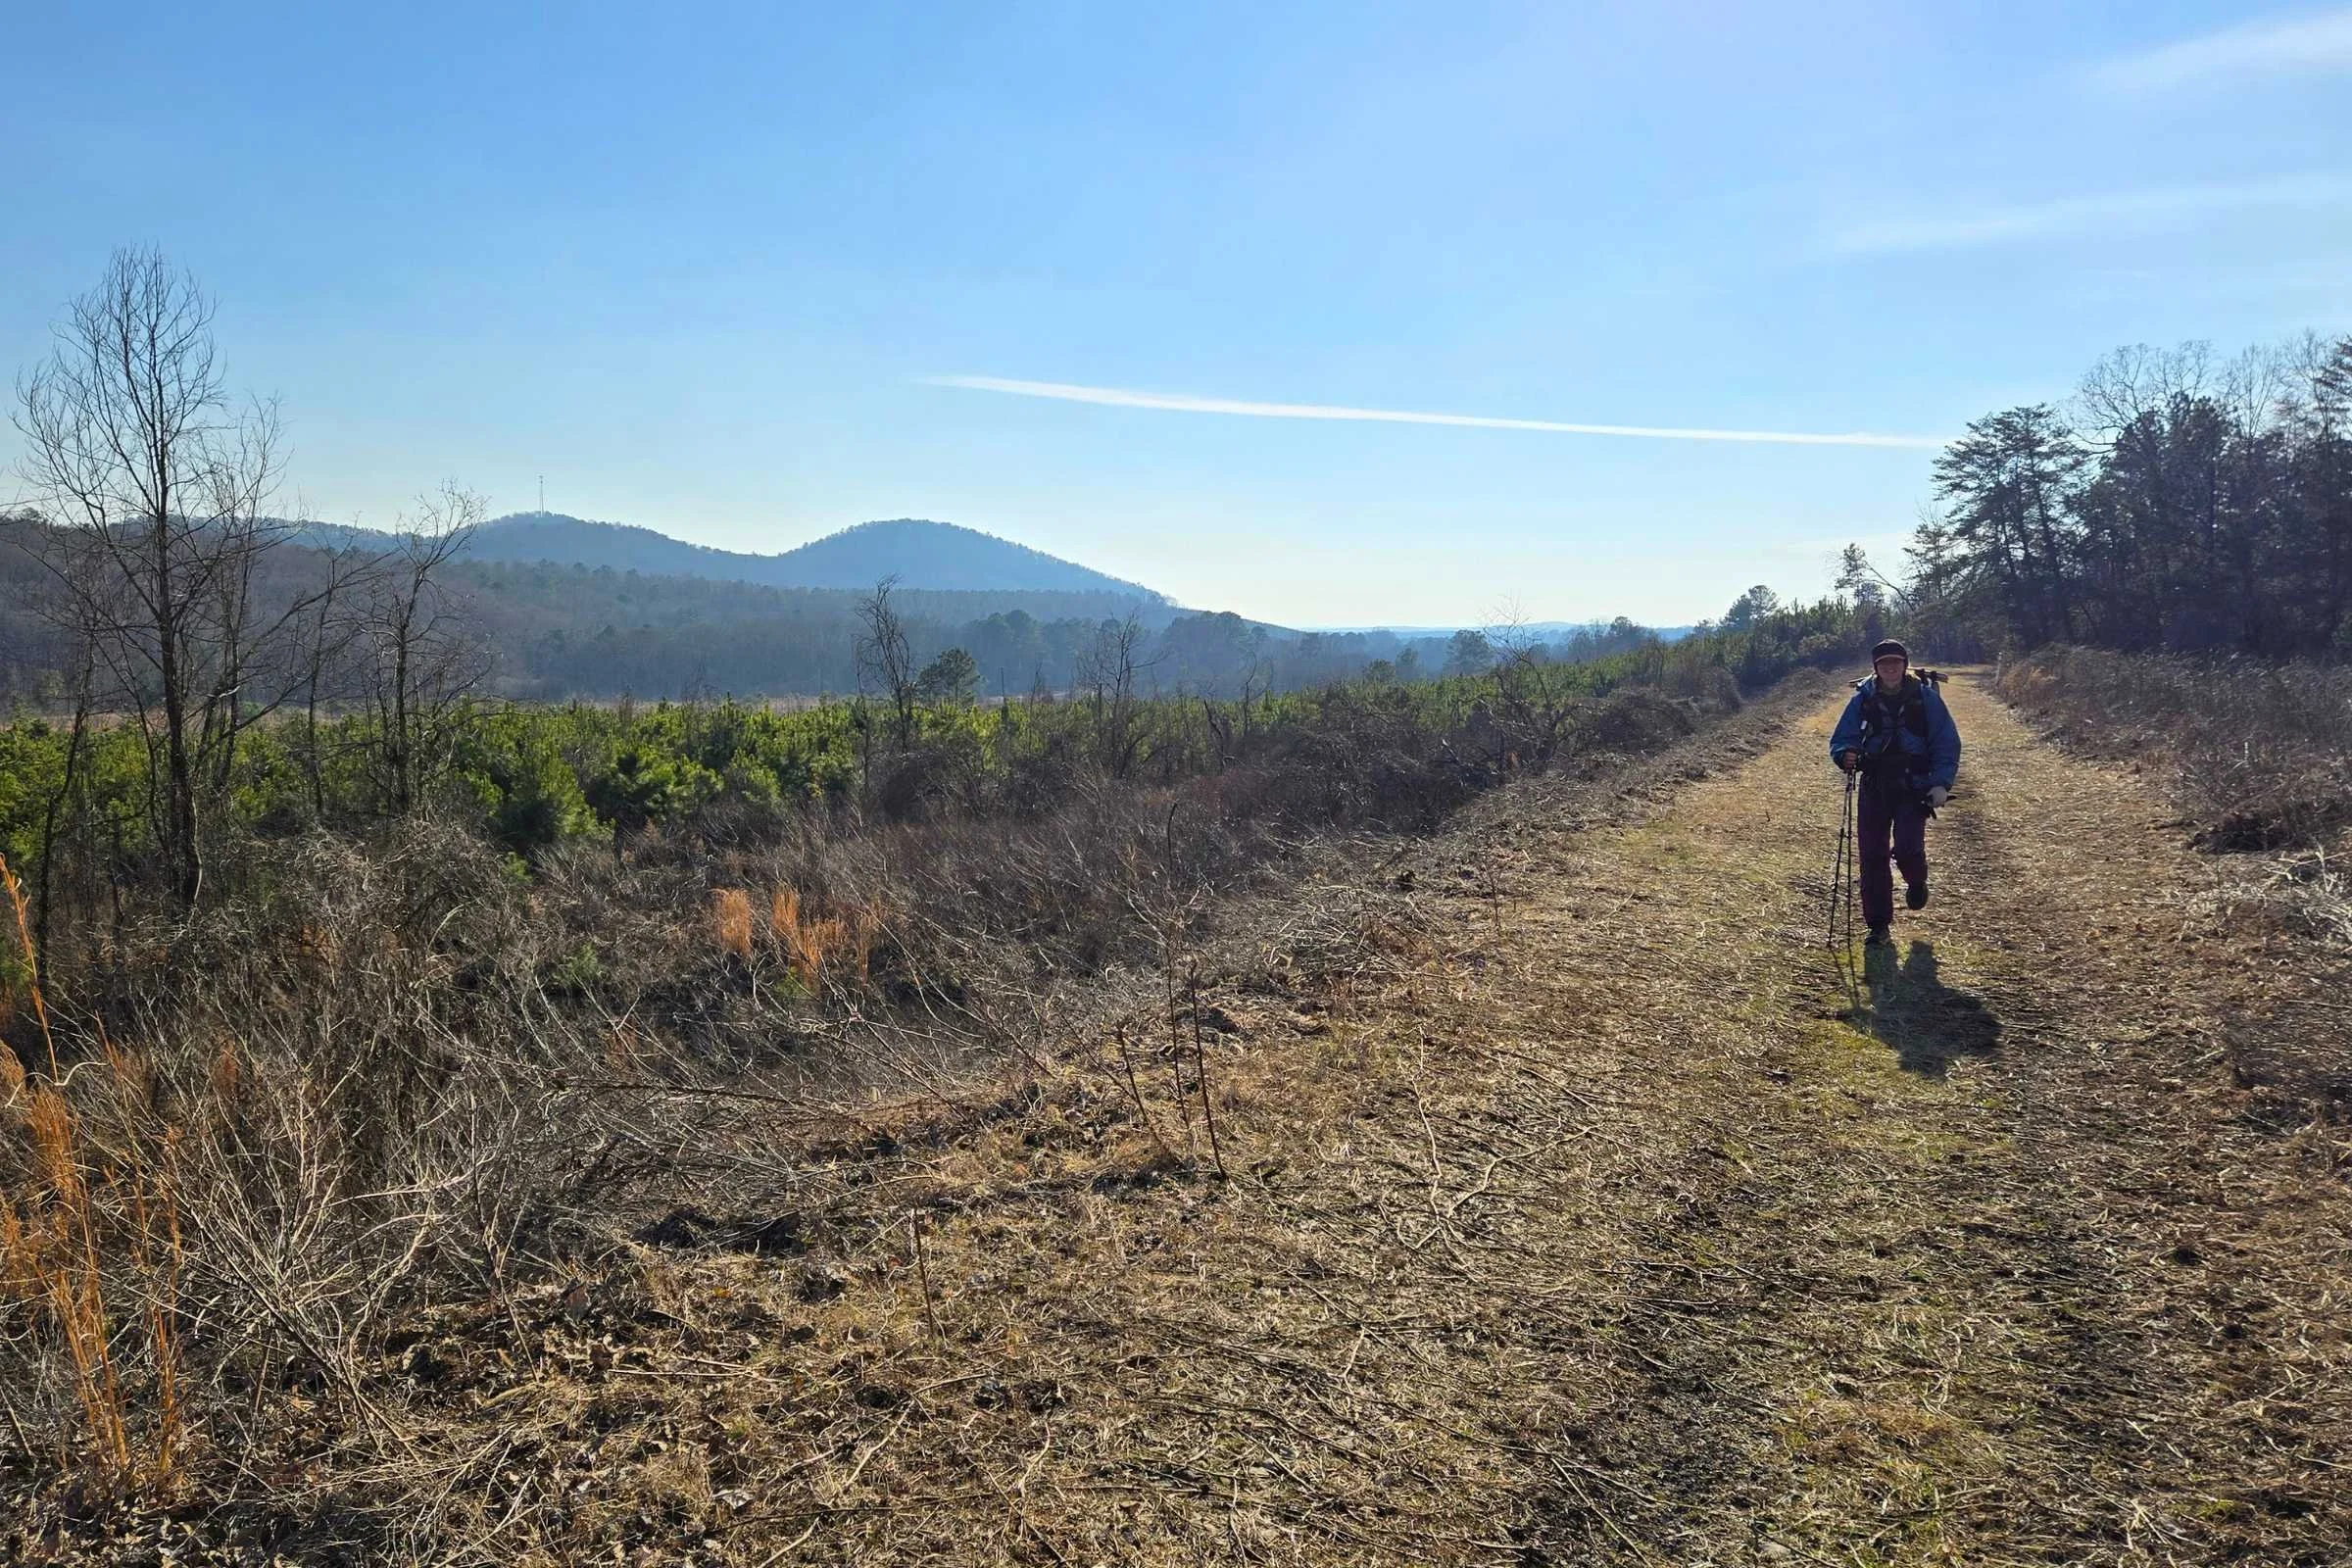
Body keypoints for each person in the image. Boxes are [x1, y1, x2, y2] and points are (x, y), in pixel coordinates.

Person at [1829, 639, 1961, 945]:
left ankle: (1917, 882)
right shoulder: (1861, 700)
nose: (1890, 667)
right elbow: (1842, 738)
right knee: (1872, 854)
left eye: (1896, 662)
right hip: (1874, 785)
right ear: (1875, 667)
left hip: (1914, 786)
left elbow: (1946, 743)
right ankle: (1878, 926)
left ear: (1905, 665)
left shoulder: (1925, 699)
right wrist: (1845, 754)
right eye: (1884, 663)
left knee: (1907, 847)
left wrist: (1941, 783)